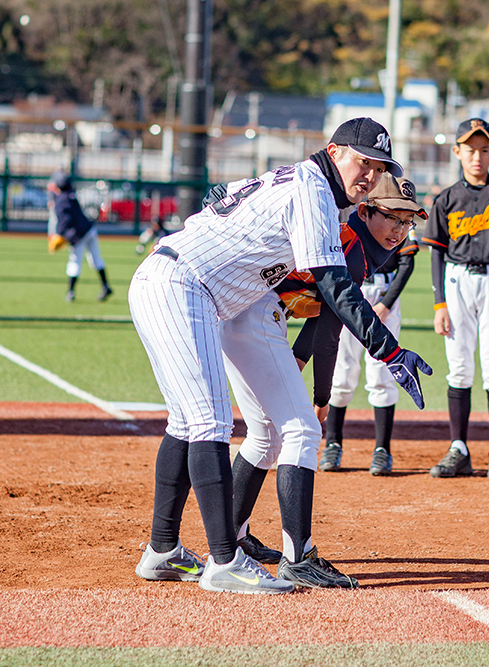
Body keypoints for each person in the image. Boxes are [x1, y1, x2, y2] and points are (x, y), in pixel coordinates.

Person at [131, 117, 431, 594]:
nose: (370, 175)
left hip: (207, 290)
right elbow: (336, 289)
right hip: (186, 286)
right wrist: (389, 351)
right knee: (209, 423)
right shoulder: (313, 190)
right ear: (334, 151)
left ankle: (164, 549)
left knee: (197, 424)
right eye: (364, 163)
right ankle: (226, 562)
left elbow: (224, 199)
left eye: (379, 169)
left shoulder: (305, 184)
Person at [222, 173, 425, 584]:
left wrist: (297, 360)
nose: (400, 229)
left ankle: (231, 538)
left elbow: (323, 320)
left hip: (247, 314)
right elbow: (331, 332)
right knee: (301, 431)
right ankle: (298, 557)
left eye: (407, 221)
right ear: (364, 211)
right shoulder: (350, 244)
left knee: (265, 434)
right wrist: (321, 397)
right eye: (391, 216)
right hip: (256, 315)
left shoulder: (355, 243)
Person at [421, 119, 489, 480]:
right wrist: (439, 303)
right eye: (469, 149)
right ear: (457, 152)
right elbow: (436, 252)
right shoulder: (447, 198)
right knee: (460, 366)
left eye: (484, 149)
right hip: (457, 280)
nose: (477, 156)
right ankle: (459, 448)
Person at [320, 184, 423, 476]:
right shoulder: (360, 218)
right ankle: (333, 442)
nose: (400, 222)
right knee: (343, 370)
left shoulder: (401, 226)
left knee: (383, 374)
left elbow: (406, 265)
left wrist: (386, 304)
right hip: (352, 291)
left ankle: (382, 449)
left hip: (383, 294)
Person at [47, 172, 112, 302]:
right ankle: (105, 286)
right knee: (96, 259)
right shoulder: (70, 194)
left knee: (75, 262)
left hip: (78, 234)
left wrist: (60, 235)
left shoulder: (61, 200)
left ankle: (70, 292)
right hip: (89, 229)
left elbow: (64, 221)